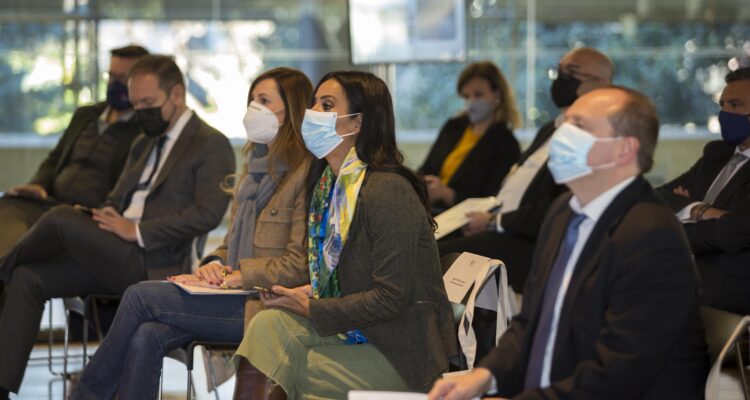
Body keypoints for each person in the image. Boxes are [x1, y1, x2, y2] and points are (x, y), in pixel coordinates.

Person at [428, 86, 708, 400]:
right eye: (564, 122)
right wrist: (484, 376)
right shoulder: (562, 211)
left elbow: (620, 373)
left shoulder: (651, 236)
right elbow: (530, 322)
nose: (561, 133)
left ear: (624, 150)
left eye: (579, 126)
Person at [68, 67, 313, 400]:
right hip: (234, 295)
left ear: (292, 110)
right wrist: (214, 265)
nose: (254, 109)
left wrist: (235, 277)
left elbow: (299, 264)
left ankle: (85, 395)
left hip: (267, 306)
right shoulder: (252, 174)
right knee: (147, 334)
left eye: (264, 100)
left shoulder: (306, 177)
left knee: (140, 296)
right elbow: (228, 246)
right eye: (251, 100)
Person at [0, 54, 235, 398]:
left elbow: (208, 214)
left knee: (60, 218)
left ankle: (1, 268)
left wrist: (136, 231)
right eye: (136, 104)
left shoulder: (210, 143)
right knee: (28, 277)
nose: (140, 112)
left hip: (155, 261)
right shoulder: (144, 141)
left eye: (148, 104)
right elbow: (115, 198)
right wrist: (101, 217)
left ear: (177, 95)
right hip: (114, 253)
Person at [232, 71, 457, 400]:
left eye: (327, 105)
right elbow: (346, 278)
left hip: (401, 351)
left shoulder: (388, 189)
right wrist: (306, 294)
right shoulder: (329, 186)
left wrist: (313, 308)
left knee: (296, 369)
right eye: (314, 104)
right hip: (354, 331)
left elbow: (392, 297)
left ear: (358, 122)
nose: (312, 114)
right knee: (268, 324)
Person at [439, 47, 614, 291]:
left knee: (432, 256)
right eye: (558, 71)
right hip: (496, 222)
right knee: (420, 241)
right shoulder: (550, 129)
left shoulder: (593, 136)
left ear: (601, 84)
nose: (561, 79)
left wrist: (496, 221)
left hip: (527, 240)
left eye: (571, 73)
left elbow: (561, 205)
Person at [0, 45, 149, 260]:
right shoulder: (86, 115)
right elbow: (54, 159)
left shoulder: (143, 131)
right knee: (8, 205)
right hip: (50, 202)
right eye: (111, 76)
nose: (114, 84)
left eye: (123, 78)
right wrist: (38, 184)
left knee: (35, 235)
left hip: (89, 216)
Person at [657, 66, 750, 315]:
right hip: (681, 288)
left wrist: (675, 224)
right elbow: (658, 197)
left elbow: (730, 233)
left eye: (735, 105)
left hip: (730, 301)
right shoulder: (716, 154)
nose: (725, 113)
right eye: (722, 105)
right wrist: (698, 210)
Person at [418, 61, 521, 210]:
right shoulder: (453, 127)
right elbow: (426, 168)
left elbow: (494, 199)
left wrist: (448, 194)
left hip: (462, 218)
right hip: (427, 209)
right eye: (466, 96)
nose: (471, 102)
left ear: (497, 94)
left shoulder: (507, 145)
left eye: (478, 95)